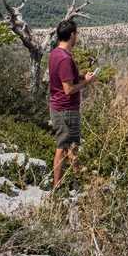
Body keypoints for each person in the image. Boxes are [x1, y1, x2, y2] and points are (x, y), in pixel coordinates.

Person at [48, 18, 97, 189]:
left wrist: (81, 76)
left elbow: (64, 79)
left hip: (59, 106)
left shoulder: (55, 54)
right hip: (66, 108)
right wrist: (87, 82)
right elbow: (68, 89)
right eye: (76, 34)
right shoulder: (65, 59)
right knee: (63, 147)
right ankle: (57, 187)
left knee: (72, 146)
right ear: (71, 35)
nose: (77, 37)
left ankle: (79, 179)